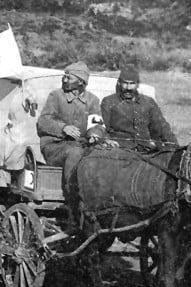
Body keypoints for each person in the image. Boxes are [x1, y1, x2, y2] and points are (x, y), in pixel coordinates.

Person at [36, 62, 102, 229]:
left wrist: (95, 134)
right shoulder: (56, 96)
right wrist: (63, 128)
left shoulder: (93, 101)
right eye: (64, 76)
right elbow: (43, 121)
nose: (64, 79)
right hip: (54, 147)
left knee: (100, 154)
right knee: (75, 153)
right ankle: (72, 199)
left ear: (81, 82)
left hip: (81, 146)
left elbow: (97, 125)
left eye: (68, 77)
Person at [100, 66, 177, 152]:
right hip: (120, 150)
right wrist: (107, 140)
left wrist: (174, 145)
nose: (128, 88)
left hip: (146, 150)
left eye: (132, 83)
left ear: (137, 84)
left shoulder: (148, 102)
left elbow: (161, 126)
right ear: (119, 83)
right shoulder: (109, 102)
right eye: (125, 83)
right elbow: (102, 127)